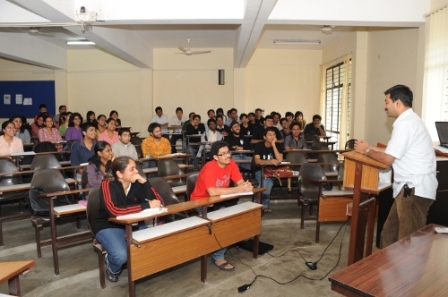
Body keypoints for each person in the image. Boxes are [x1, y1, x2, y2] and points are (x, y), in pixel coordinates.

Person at [354, 84, 437, 248]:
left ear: (397, 103)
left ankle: (408, 274)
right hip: (408, 191)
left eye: (387, 102)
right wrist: (369, 147)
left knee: (408, 242)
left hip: (413, 191)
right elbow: (392, 150)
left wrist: (367, 150)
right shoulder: (409, 121)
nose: (385, 106)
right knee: (389, 234)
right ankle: (387, 272)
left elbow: (387, 159)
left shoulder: (405, 124)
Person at [94, 156, 161, 282]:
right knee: (121, 256)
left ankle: (140, 267)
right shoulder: (107, 185)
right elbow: (114, 211)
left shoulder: (137, 184)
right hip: (109, 225)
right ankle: (112, 266)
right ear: (119, 173)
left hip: (134, 223)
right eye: (132, 169)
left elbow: (158, 201)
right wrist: (146, 205)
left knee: (152, 246)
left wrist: (145, 182)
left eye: (135, 168)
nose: (136, 171)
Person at [190, 141, 253, 272]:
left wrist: (246, 186)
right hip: (202, 201)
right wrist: (238, 189)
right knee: (225, 222)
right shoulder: (209, 167)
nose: (227, 156)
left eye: (228, 152)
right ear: (215, 157)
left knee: (247, 210)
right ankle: (218, 256)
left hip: (220, 199)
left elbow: (240, 182)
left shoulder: (231, 163)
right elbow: (212, 191)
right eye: (223, 154)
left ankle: (232, 238)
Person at [252, 127, 284, 212]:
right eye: (269, 135)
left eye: (274, 134)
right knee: (267, 181)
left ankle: (259, 203)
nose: (272, 136)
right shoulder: (259, 145)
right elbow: (257, 161)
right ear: (264, 137)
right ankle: (264, 205)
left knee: (267, 180)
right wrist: (268, 161)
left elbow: (280, 159)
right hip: (260, 170)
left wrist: (273, 145)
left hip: (273, 172)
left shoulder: (278, 145)